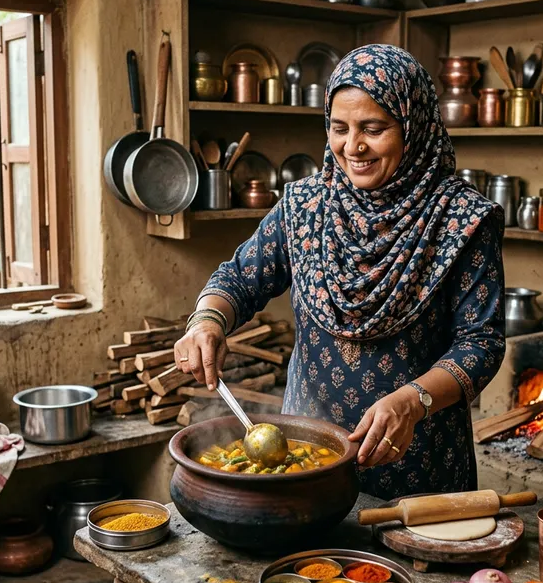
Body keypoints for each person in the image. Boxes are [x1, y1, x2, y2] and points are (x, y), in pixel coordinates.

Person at [174, 44, 506, 499]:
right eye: (339, 128)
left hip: (417, 463)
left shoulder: (463, 219)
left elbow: (481, 344)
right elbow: (238, 279)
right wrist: (207, 321)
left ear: (415, 127)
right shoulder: (305, 205)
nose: (354, 147)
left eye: (374, 128)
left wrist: (412, 403)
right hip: (305, 457)